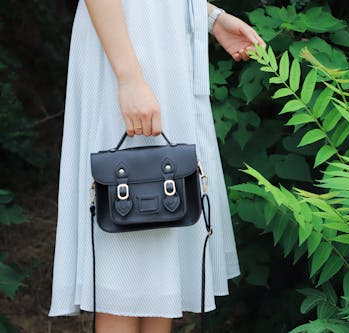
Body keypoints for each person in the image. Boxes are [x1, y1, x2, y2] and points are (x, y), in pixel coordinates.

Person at [48, 0, 265, 332]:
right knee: (123, 244)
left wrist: (213, 18)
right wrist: (129, 77)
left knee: (163, 227)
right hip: (128, 46)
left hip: (166, 52)